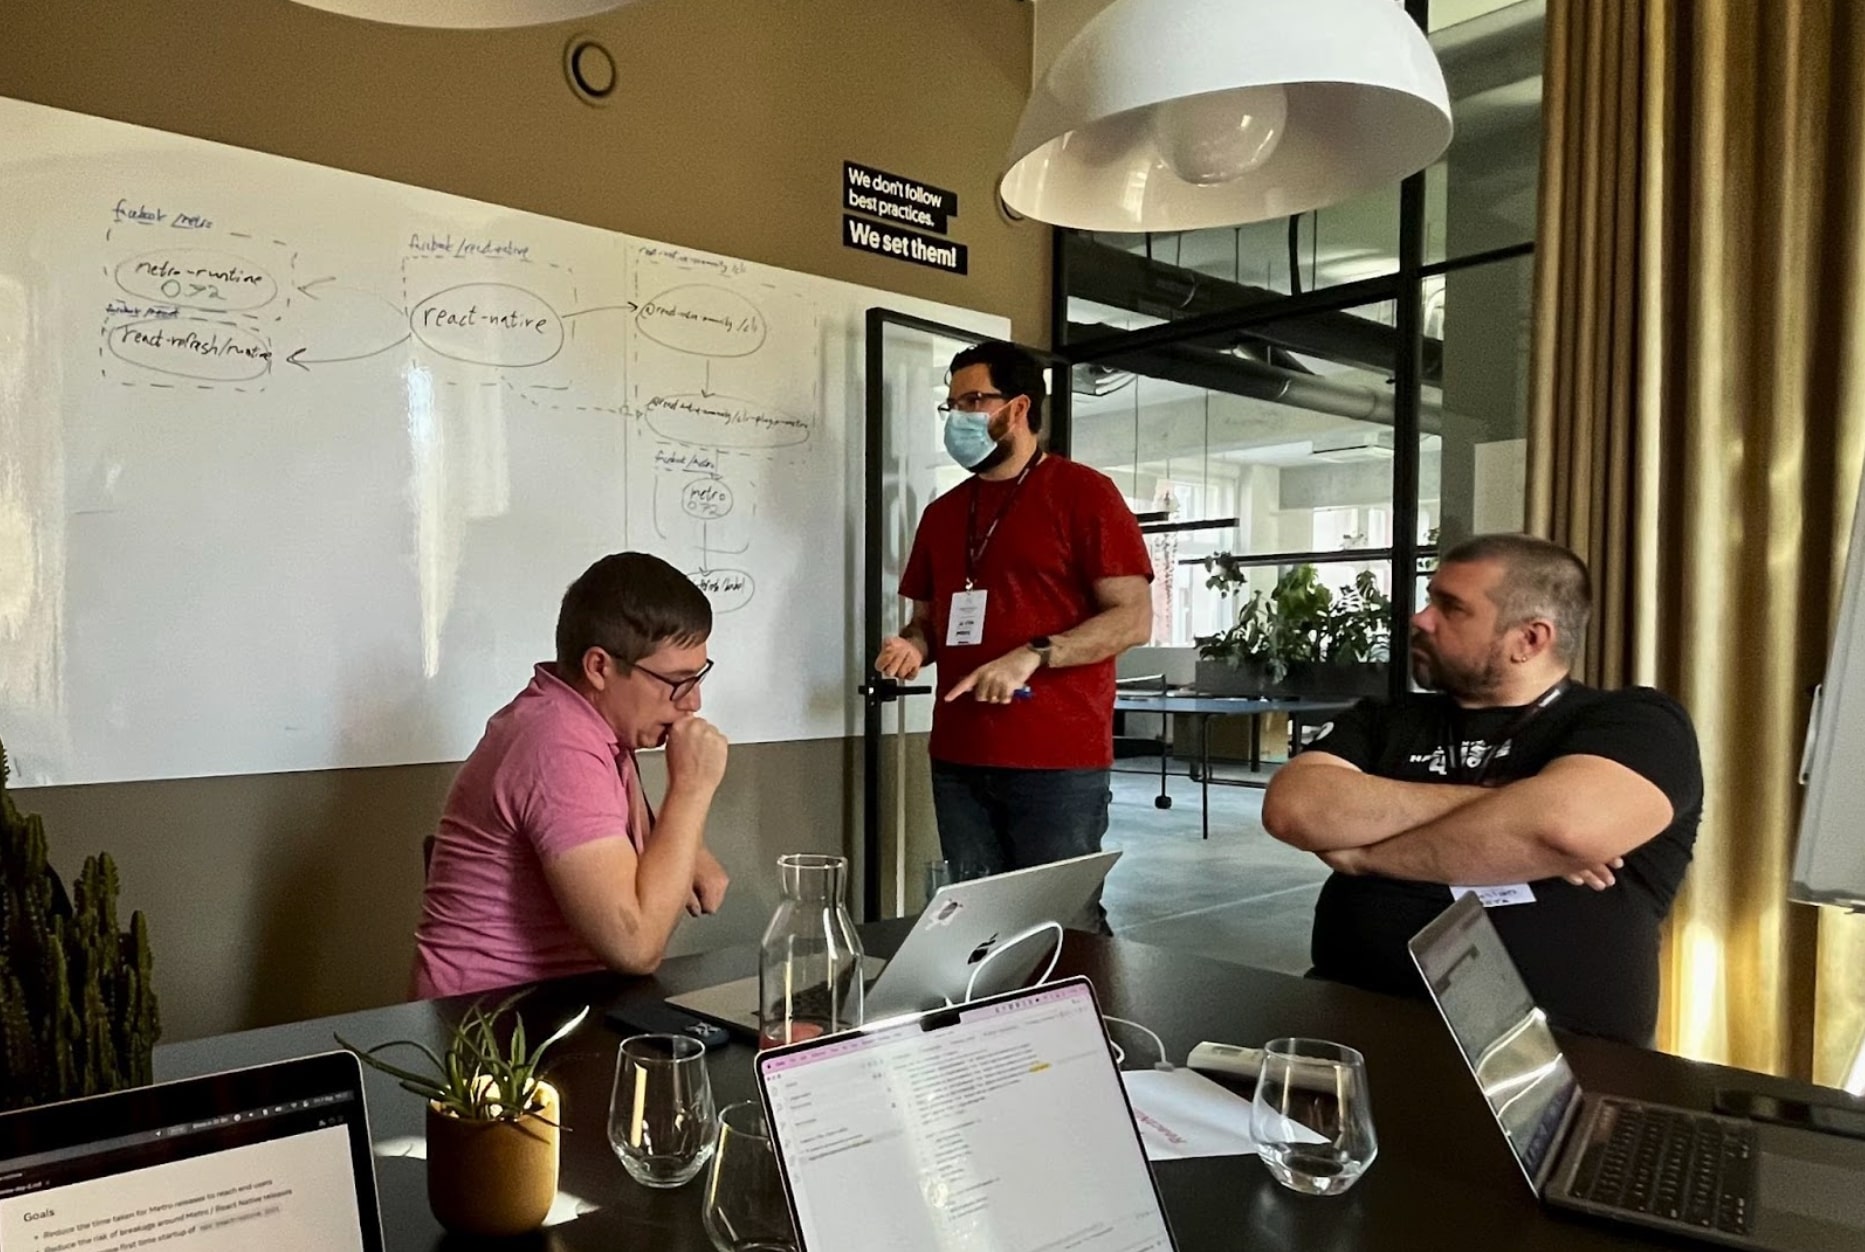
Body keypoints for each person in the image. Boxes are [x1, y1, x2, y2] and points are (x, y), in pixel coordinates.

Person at [1261, 534, 1703, 1045]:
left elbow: (1563, 828)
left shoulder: (1635, 721)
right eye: (1429, 600)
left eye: (1450, 608)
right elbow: (1294, 809)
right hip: (1348, 1028)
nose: (1420, 619)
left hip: (1558, 1060)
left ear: (1529, 639)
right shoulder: (1386, 718)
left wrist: (1365, 856)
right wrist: (1510, 805)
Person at [874, 340, 1153, 931]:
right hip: (959, 756)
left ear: (1019, 407)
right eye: (951, 405)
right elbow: (928, 623)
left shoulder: (1084, 494)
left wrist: (1034, 654)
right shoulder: (943, 514)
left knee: (1062, 924)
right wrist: (911, 647)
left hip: (1056, 761)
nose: (958, 417)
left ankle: (1084, 996)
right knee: (976, 924)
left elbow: (1132, 618)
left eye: (973, 400)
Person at [412, 552, 731, 999]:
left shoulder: (591, 727)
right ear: (599, 667)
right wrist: (691, 790)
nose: (693, 702)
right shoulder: (556, 743)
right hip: (489, 1023)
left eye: (698, 677)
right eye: (677, 681)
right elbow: (635, 946)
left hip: (559, 1003)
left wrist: (687, 843)